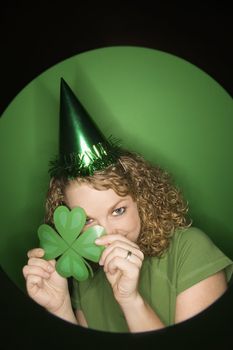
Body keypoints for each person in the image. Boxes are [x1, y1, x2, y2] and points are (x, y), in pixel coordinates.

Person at [22, 78, 233, 333]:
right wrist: (61, 308)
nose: (108, 235)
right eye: (88, 220)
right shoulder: (85, 277)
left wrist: (130, 300)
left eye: (118, 210)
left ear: (141, 199)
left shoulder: (190, 250)